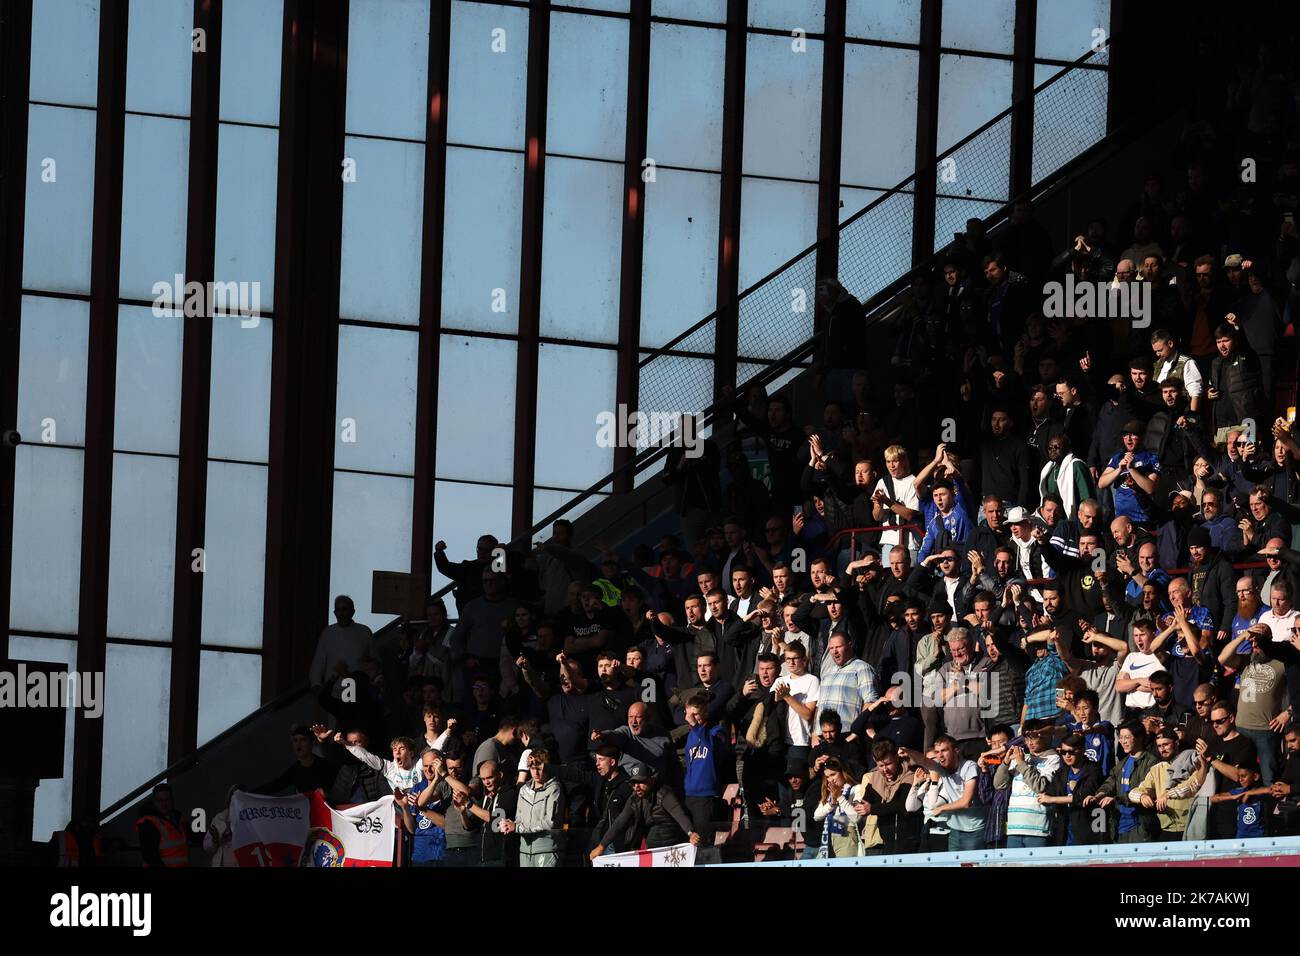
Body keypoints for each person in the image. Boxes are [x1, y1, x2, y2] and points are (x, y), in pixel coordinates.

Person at [589, 764, 700, 859]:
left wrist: (691, 833)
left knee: (655, 834)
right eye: (633, 783)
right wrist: (601, 846)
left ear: (651, 780)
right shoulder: (634, 799)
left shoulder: (664, 794)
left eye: (641, 782)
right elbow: (619, 823)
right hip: (651, 845)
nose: (637, 787)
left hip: (672, 842)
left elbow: (680, 814)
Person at [902, 736, 986, 851]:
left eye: (944, 750)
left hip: (974, 829)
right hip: (955, 830)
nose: (940, 755)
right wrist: (907, 751)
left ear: (956, 751)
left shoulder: (969, 766)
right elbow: (922, 760)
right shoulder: (941, 768)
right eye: (937, 752)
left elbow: (966, 802)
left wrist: (942, 808)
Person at [1085, 721, 1159, 843]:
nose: (1123, 741)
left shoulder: (1151, 762)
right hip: (1119, 825)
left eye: (1127, 737)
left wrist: (1116, 799)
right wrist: (1098, 795)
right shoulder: (1122, 764)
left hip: (1140, 825)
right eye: (1120, 738)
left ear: (1140, 737)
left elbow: (1141, 791)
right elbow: (1110, 783)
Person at [994, 719, 1061, 848]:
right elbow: (999, 784)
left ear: (1045, 736)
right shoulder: (1021, 757)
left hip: (1038, 829)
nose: (1029, 742)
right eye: (1026, 738)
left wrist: (1022, 764)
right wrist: (1005, 762)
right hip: (1014, 827)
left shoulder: (1053, 758)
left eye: (1033, 738)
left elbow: (1040, 787)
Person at [682, 695, 732, 842]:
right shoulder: (691, 734)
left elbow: (712, 746)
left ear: (706, 713)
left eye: (695, 714)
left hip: (706, 796)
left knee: (703, 841)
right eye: (689, 714)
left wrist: (696, 727)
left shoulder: (718, 731)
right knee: (689, 841)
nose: (691, 718)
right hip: (689, 794)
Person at [512, 749, 566, 867]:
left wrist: (518, 828)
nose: (535, 773)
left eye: (539, 769)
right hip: (524, 851)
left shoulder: (554, 788)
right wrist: (511, 825)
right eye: (532, 769)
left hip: (547, 851)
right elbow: (518, 819)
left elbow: (550, 823)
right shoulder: (523, 790)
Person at [308, 595, 374, 690]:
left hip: (358, 690)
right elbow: (318, 662)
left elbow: (374, 661)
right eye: (338, 610)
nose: (341, 613)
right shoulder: (328, 633)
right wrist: (316, 685)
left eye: (344, 609)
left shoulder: (364, 632)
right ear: (334, 612)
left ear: (352, 612)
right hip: (334, 690)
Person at [812, 758, 863, 858]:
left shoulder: (856, 789)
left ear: (843, 772)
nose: (831, 779)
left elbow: (856, 817)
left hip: (846, 834)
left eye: (833, 774)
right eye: (827, 777)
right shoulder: (829, 795)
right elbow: (816, 816)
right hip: (828, 835)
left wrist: (840, 797)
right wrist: (832, 803)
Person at [135, 784, 191, 868]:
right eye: (160, 800)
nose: (164, 804)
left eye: (166, 800)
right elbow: (150, 856)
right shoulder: (148, 822)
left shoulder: (177, 817)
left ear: (172, 800)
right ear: (154, 801)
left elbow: (192, 835)